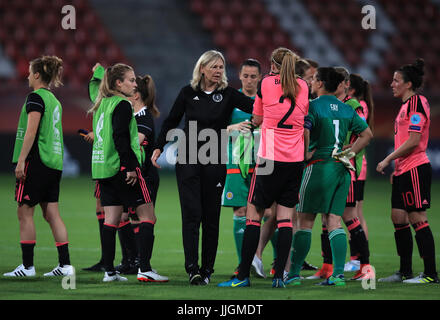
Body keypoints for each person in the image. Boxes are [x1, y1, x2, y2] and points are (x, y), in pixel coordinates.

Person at [151, 50, 254, 285]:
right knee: (191, 215)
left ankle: (207, 269)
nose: (219, 71)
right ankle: (192, 269)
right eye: (214, 67)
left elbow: (257, 106)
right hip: (188, 158)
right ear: (202, 68)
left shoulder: (228, 94)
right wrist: (158, 146)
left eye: (221, 67)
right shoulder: (188, 93)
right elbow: (171, 120)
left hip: (215, 160)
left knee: (211, 217)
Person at [218, 47, 309, 288]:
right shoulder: (303, 85)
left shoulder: (267, 83)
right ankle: (279, 276)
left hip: (269, 158)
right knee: (285, 218)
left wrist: (250, 124)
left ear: (274, 65)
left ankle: (242, 276)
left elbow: (257, 118)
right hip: (295, 160)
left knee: (253, 215)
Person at [286, 67, 373, 286]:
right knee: (334, 221)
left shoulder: (312, 106)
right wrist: (350, 153)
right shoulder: (346, 109)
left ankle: (294, 274)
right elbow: (367, 134)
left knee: (305, 221)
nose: (311, 82)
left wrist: (305, 154)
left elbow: (305, 130)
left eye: (314, 79)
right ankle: (338, 275)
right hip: (341, 169)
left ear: (321, 84)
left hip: (318, 167)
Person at [88, 63, 166, 283]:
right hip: (121, 168)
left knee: (111, 219)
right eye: (131, 80)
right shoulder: (122, 104)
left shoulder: (101, 104)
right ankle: (145, 269)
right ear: (118, 83)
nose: (135, 84)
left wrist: (96, 75)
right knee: (148, 217)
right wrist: (130, 167)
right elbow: (122, 138)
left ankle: (109, 272)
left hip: (102, 169)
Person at [5, 56, 74, 278]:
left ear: (36, 75)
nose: (26, 76)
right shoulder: (55, 100)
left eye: (28, 72)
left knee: (24, 212)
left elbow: (31, 131)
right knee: (52, 213)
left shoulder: (35, 98)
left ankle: (27, 267)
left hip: (37, 162)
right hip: (54, 163)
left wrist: (22, 160)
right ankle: (65, 265)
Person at [377, 59, 438, 284]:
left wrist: (387, 160)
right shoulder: (405, 106)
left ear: (408, 84)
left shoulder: (416, 104)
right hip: (404, 170)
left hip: (415, 168)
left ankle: (431, 274)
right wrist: (397, 168)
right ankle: (404, 271)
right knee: (398, 217)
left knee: (417, 217)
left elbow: (413, 141)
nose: (392, 84)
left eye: (396, 81)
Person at [343, 73, 375, 272]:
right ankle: (357, 258)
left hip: (355, 164)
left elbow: (362, 135)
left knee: (355, 214)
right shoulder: (360, 104)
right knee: (354, 214)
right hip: (356, 163)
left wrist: (347, 148)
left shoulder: (357, 105)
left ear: (350, 88)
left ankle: (358, 258)